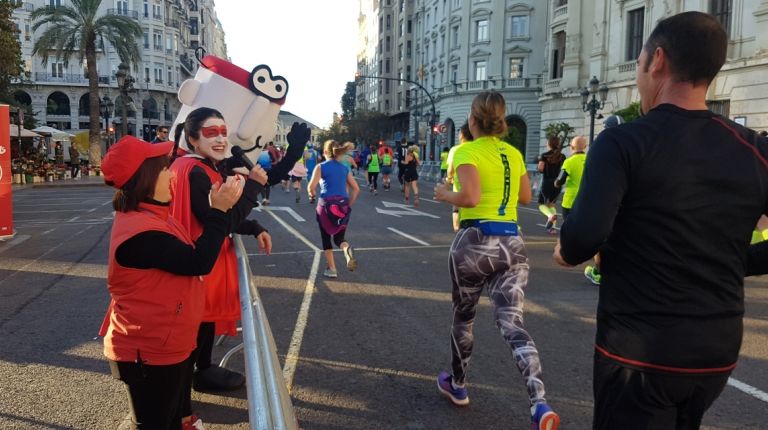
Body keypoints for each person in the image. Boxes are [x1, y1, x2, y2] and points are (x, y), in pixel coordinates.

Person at [554, 12, 768, 429]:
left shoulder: (624, 142)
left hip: (641, 350)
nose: (638, 77)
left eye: (638, 64)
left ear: (657, 61)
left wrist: (567, 251)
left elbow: (584, 235)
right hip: (716, 349)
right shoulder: (753, 148)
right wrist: (736, 260)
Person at [99, 135, 256, 430]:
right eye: (164, 169)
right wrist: (220, 211)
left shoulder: (154, 215)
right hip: (149, 350)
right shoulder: (141, 232)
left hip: (168, 342)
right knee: (154, 423)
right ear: (145, 178)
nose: (172, 174)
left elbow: (192, 249)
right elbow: (198, 262)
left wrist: (218, 209)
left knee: (172, 417)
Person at [433, 91, 560, 430]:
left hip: (475, 242)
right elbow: (525, 196)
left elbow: (470, 197)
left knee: (464, 317)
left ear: (473, 121)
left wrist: (446, 195)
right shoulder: (514, 153)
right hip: (512, 243)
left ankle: (458, 386)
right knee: (514, 324)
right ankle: (539, 403)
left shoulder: (465, 150)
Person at [169, 107, 271, 403]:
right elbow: (220, 220)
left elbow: (222, 217)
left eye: (223, 132)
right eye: (211, 132)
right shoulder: (195, 171)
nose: (221, 138)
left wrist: (252, 226)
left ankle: (202, 370)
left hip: (199, 255)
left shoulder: (199, 167)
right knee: (194, 322)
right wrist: (252, 189)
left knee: (203, 319)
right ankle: (184, 397)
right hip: (197, 258)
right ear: (192, 138)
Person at [307, 140, 360, 278]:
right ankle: (346, 249)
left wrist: (311, 195)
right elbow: (356, 189)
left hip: (326, 205)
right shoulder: (344, 168)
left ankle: (332, 268)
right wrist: (348, 205)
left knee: (326, 238)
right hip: (342, 205)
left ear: (325, 152)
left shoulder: (321, 167)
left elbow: (311, 187)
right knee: (339, 238)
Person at [581, 115, 622, 286]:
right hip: (627, 204)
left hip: (606, 201)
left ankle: (598, 272)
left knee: (601, 239)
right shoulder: (634, 144)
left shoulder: (601, 146)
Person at [445, 123, 474, 232]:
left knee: (456, 207)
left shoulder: (455, 149)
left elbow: (450, 169)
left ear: (462, 135)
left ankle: (457, 230)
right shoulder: (477, 148)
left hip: (459, 182)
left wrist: (448, 179)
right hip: (476, 183)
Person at [554, 136, 587, 222]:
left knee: (569, 227)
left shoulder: (569, 162)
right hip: (587, 200)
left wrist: (556, 183)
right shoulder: (591, 160)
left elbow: (560, 180)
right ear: (585, 147)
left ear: (571, 147)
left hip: (570, 201)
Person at [537, 136, 565, 234]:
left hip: (547, 182)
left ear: (549, 144)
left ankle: (550, 216)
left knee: (541, 204)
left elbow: (540, 168)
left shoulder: (544, 155)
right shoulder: (562, 156)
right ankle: (552, 228)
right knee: (552, 204)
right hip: (557, 183)